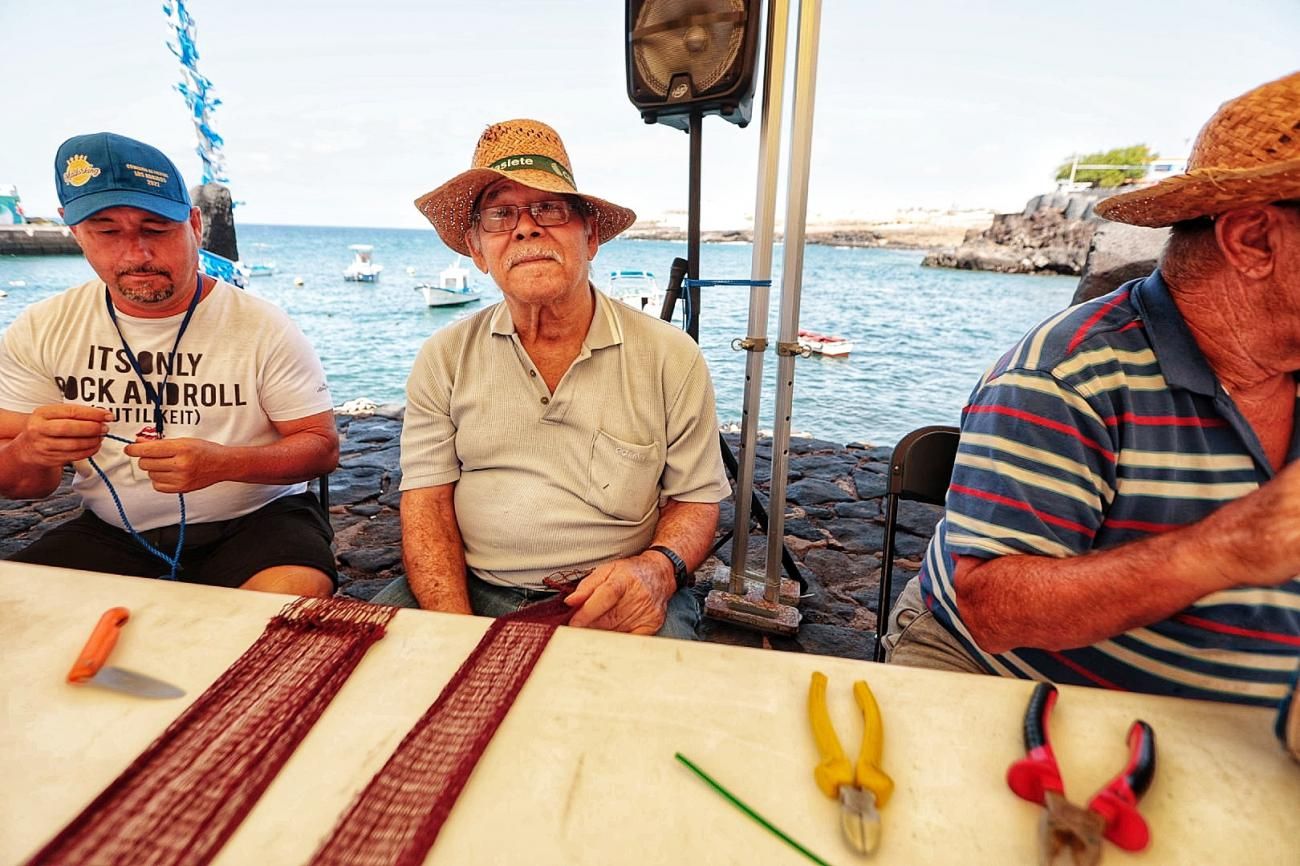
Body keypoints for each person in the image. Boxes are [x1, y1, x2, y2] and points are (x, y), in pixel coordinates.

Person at [881, 72, 1300, 706]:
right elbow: (996, 609)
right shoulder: (1066, 375)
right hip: (1028, 694)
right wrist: (1234, 547)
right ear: (1253, 239)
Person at [372, 119, 729, 637]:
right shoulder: (444, 357)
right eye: (500, 214)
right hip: (469, 585)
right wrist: (455, 633)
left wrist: (654, 571)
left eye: (550, 208)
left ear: (591, 236)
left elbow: (695, 500)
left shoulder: (670, 356)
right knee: (375, 688)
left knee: (647, 712)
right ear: (477, 250)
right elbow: (425, 501)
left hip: (615, 590)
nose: (525, 227)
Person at [0, 132, 338, 596]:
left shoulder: (262, 325)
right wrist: (32, 450)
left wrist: (223, 463)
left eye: (157, 229)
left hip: (257, 522)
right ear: (75, 231)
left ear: (194, 225)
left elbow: (321, 448)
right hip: (113, 532)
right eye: (107, 231)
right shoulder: (41, 328)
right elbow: (25, 485)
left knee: (286, 610)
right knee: (15, 608)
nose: (136, 253)